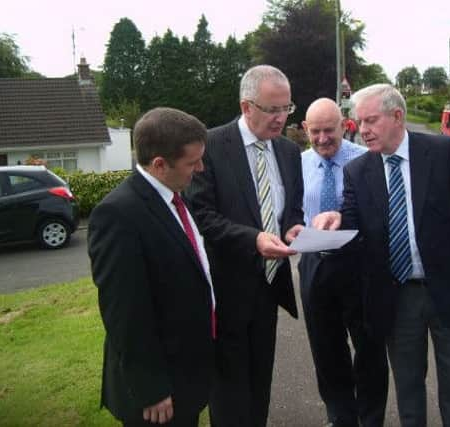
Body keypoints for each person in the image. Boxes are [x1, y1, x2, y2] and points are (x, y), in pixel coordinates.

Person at [313, 84, 450, 427]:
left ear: (397, 116)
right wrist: (335, 220)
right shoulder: (358, 170)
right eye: (359, 122)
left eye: (371, 120)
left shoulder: (444, 152)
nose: (363, 129)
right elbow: (353, 224)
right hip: (396, 297)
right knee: (409, 392)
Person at [185, 65, 304, 427]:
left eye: (287, 108)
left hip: (269, 287)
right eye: (272, 109)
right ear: (246, 106)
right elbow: (200, 216)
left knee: (260, 381)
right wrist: (252, 239)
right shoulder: (211, 146)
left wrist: (294, 228)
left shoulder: (287, 151)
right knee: (229, 388)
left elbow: (291, 208)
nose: (281, 118)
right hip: (226, 289)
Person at [88, 107, 216, 426]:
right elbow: (124, 313)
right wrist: (151, 388)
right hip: (159, 396)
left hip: (186, 376)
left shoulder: (172, 195)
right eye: (192, 162)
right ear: (159, 164)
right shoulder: (118, 215)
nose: (200, 168)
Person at [299, 97, 388, 427]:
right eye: (316, 131)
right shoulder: (299, 163)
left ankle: (370, 418)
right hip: (315, 265)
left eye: (330, 131)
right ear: (306, 129)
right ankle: (341, 417)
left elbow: (380, 216)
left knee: (369, 348)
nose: (323, 139)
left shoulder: (367, 161)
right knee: (326, 348)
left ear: (344, 126)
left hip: (359, 267)